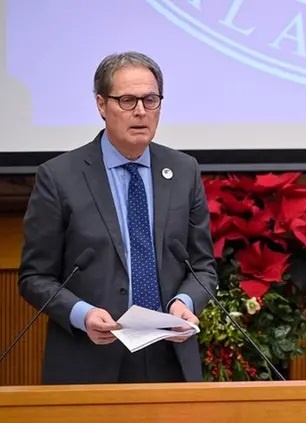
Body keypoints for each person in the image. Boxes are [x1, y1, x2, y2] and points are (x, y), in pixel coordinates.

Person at [18, 51, 218, 384]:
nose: (141, 111)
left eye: (150, 100)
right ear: (101, 105)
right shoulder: (59, 177)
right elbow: (35, 277)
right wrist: (82, 314)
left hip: (170, 356)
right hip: (91, 356)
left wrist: (185, 302)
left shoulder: (184, 171)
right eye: (127, 100)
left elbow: (202, 267)